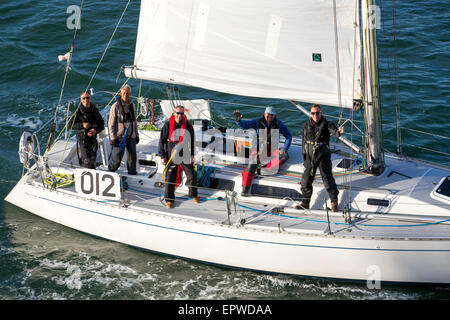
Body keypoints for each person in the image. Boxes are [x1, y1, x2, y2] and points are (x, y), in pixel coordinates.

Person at [233, 107, 292, 196]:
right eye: (268, 114)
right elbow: (245, 125)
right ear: (264, 114)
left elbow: (288, 136)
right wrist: (238, 120)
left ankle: (262, 170)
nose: (269, 116)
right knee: (251, 165)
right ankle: (245, 189)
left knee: (285, 156)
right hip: (258, 151)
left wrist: (284, 148)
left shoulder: (279, 124)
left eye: (271, 115)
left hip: (272, 151)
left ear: (274, 116)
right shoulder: (257, 121)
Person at [299, 104, 344, 212]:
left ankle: (334, 202)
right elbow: (304, 142)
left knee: (327, 180)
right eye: (313, 113)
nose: (315, 115)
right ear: (310, 114)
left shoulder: (328, 124)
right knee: (305, 181)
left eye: (317, 113)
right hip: (310, 157)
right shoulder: (306, 125)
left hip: (323, 156)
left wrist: (338, 133)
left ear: (321, 113)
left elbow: (334, 131)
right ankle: (305, 202)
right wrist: (305, 157)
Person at [158, 105, 199, 208]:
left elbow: (192, 140)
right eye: (178, 113)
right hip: (171, 150)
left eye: (182, 114)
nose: (179, 116)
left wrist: (192, 154)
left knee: (191, 173)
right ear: (173, 113)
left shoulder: (188, 125)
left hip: (184, 150)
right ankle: (169, 199)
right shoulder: (167, 125)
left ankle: (193, 194)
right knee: (170, 176)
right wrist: (162, 156)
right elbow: (161, 141)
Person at [108, 85, 140, 174]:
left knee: (132, 156)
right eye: (124, 93)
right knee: (117, 158)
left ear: (130, 94)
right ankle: (111, 171)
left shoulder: (132, 105)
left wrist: (136, 135)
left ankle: (132, 173)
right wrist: (113, 138)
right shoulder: (115, 106)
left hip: (131, 135)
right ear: (121, 93)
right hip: (119, 137)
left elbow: (134, 122)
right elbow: (111, 123)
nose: (126, 95)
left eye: (127, 93)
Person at [73, 91, 105, 169]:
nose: (86, 100)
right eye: (84, 98)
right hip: (83, 139)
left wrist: (96, 130)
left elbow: (101, 123)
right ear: (81, 99)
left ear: (90, 98)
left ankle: (92, 171)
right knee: (87, 160)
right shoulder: (77, 111)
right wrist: (82, 125)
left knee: (93, 157)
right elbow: (70, 125)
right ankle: (86, 173)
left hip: (93, 138)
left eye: (88, 97)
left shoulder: (94, 109)